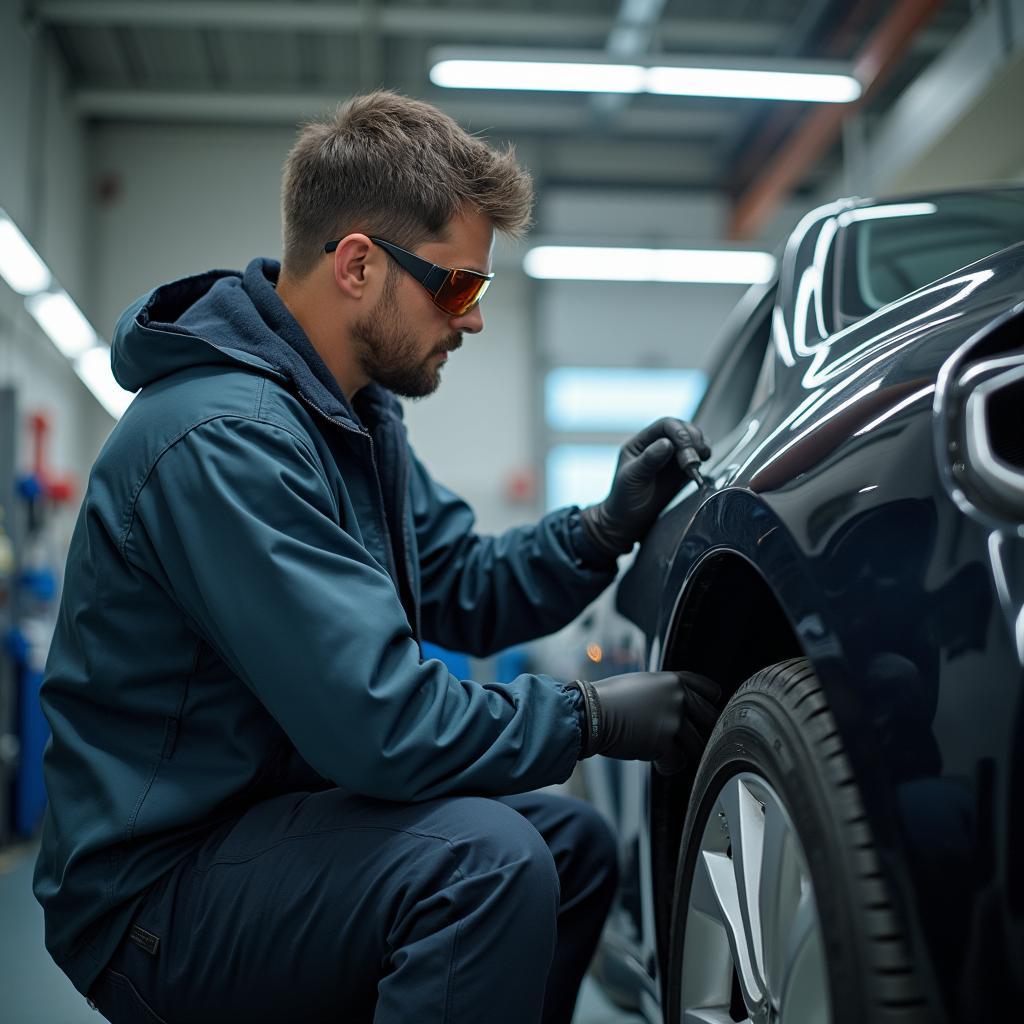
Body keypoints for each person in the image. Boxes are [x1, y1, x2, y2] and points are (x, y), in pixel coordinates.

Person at [34, 91, 719, 1023]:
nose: (472, 320)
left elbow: (464, 587)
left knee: (568, 846)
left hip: (267, 827)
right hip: (155, 890)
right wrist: (589, 716)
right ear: (358, 263)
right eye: (458, 286)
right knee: (486, 864)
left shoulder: (352, 420)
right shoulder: (223, 439)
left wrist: (601, 527)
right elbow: (380, 725)